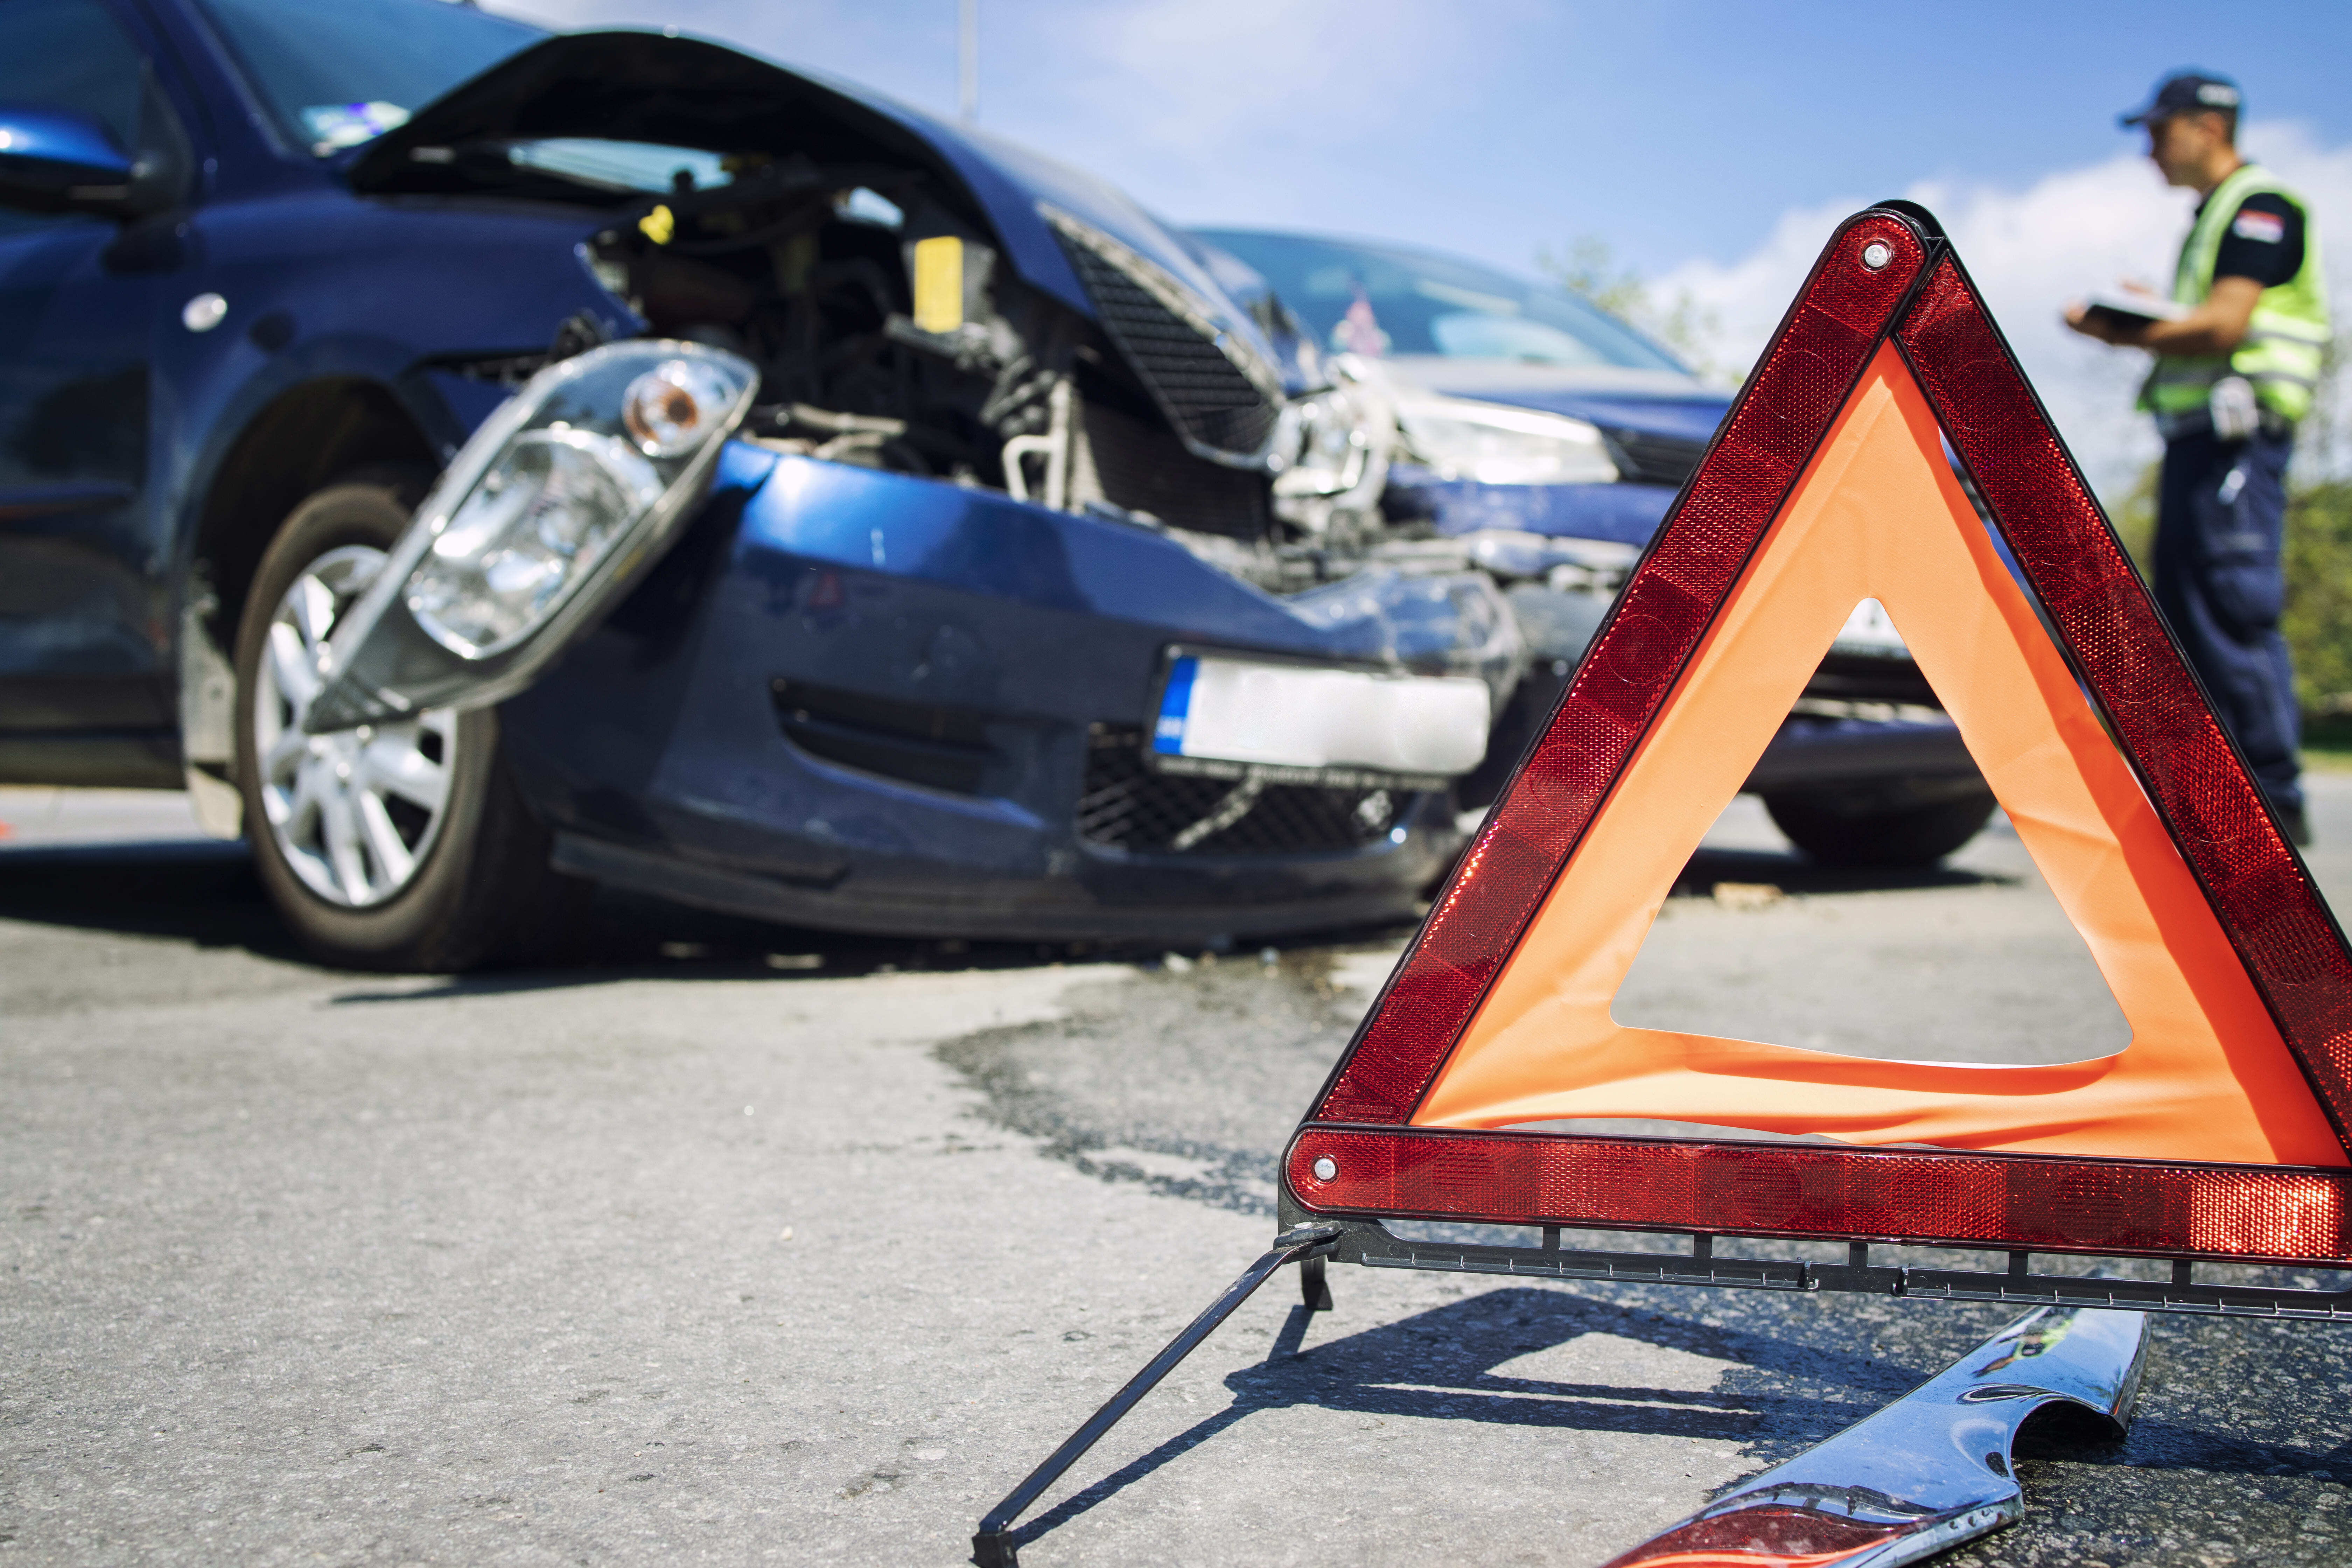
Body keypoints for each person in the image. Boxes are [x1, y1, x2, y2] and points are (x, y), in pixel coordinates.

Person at [2067, 70, 2330, 845]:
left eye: (2158, 131)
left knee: (2230, 609)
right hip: (2200, 444)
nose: (2149, 149)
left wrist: (2125, 330)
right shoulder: (2214, 216)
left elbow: (2223, 327)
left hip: (2236, 444)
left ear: (2206, 127)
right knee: (2188, 612)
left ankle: (2273, 808)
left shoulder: (2259, 207)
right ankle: (2222, 805)